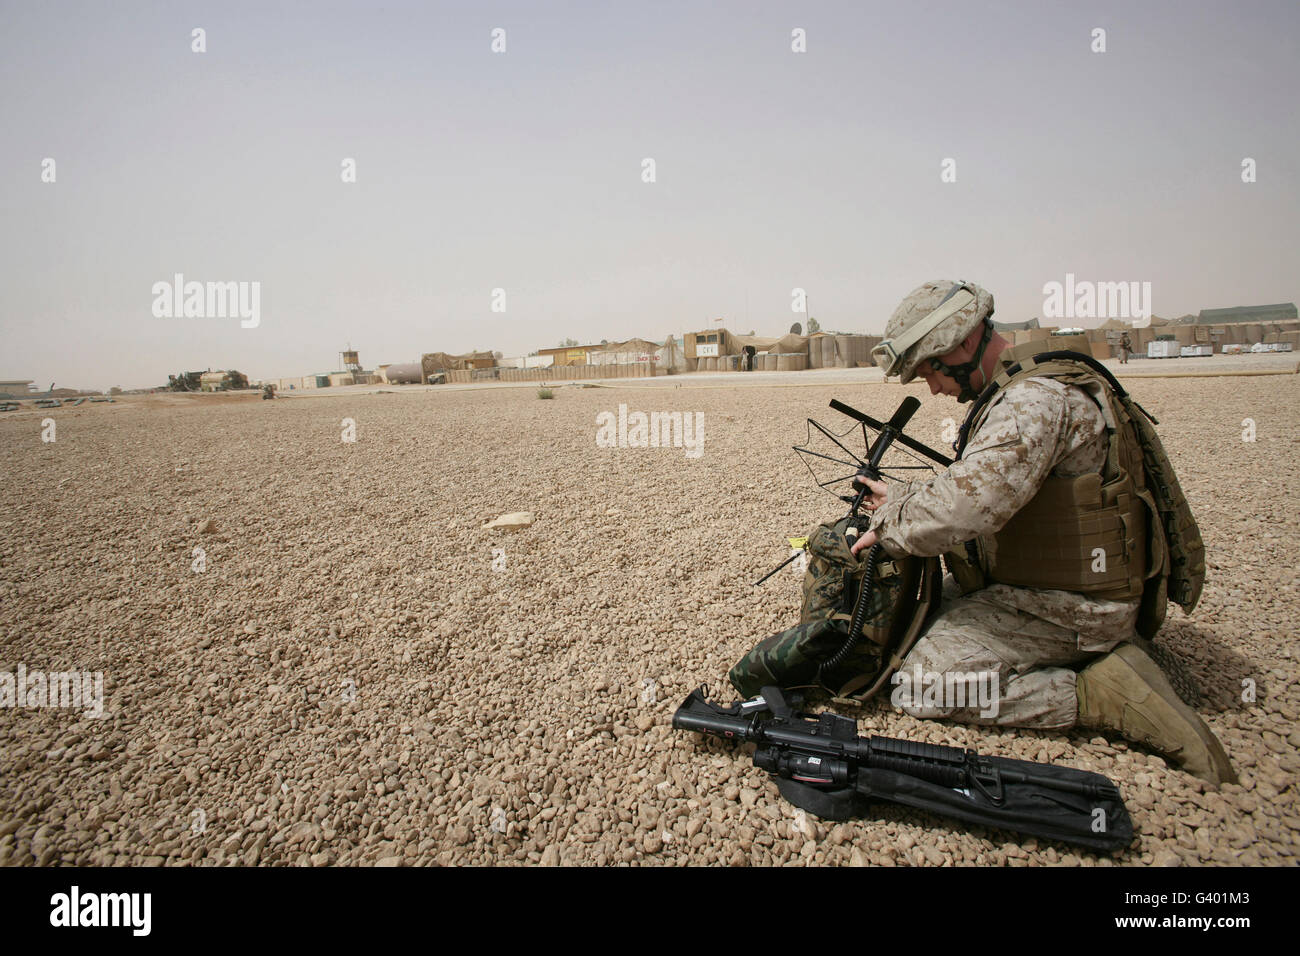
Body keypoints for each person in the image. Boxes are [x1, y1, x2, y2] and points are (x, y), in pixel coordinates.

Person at [851, 280, 1234, 785]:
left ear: (964, 345)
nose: (935, 389)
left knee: (921, 684)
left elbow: (968, 508)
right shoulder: (1031, 384)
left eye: (931, 372)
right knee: (912, 621)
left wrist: (891, 523)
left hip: (1075, 605)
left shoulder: (1032, 401)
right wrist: (902, 501)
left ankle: (1100, 691)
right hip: (1060, 587)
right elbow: (989, 488)